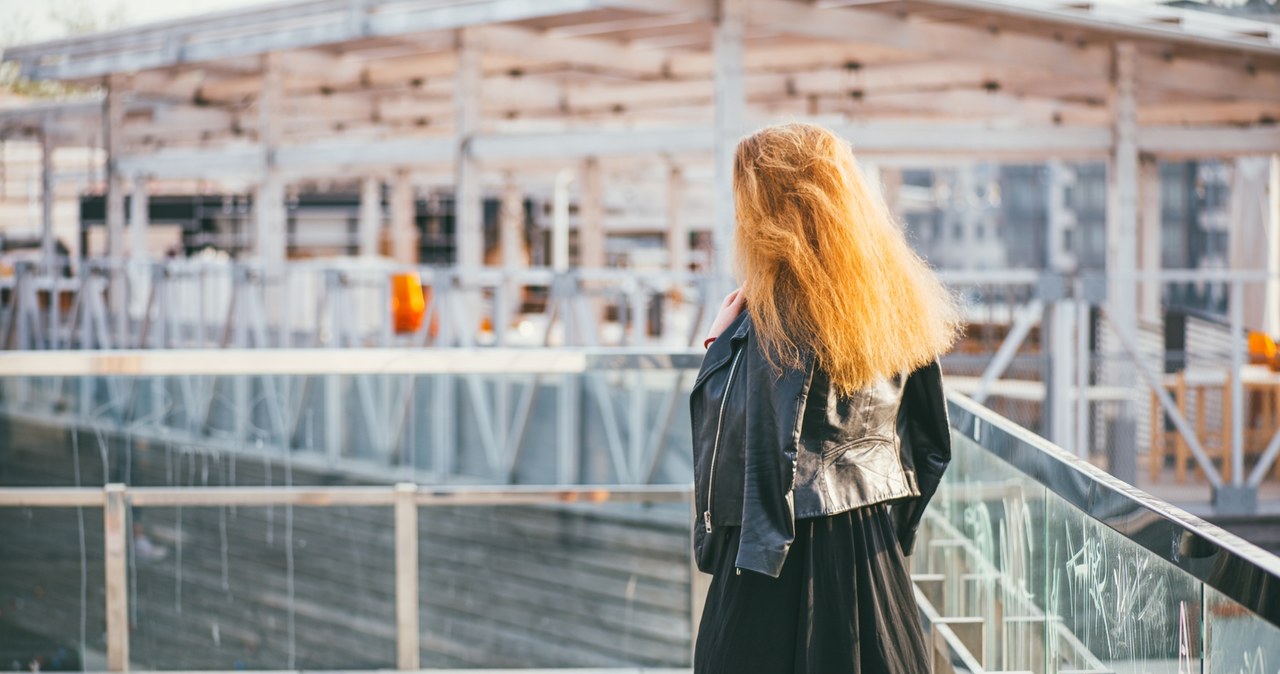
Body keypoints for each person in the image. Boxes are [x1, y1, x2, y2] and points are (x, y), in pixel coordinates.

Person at [690, 122, 960, 673]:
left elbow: (742, 440)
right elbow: (930, 444)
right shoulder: (889, 300)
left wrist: (717, 345)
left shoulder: (774, 312)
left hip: (774, 554)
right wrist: (894, 527)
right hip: (871, 545)